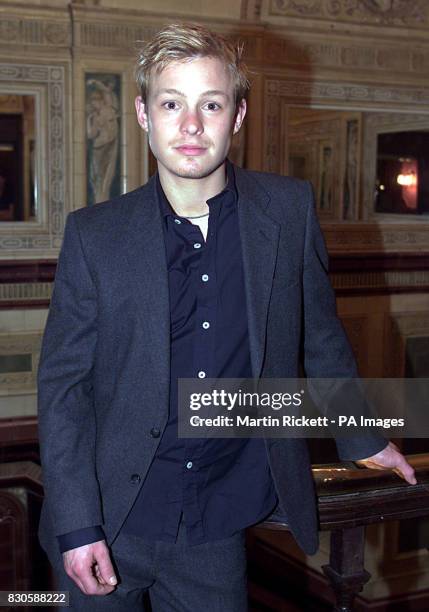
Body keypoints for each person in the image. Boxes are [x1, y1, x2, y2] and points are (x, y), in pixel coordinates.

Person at [37, 22, 416, 611]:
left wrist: (361, 435)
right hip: (110, 519)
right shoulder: (95, 234)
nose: (191, 125)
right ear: (143, 114)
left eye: (210, 104)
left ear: (237, 115)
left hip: (217, 520)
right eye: (171, 104)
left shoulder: (287, 210)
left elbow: (320, 336)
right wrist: (77, 525)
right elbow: (64, 389)